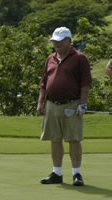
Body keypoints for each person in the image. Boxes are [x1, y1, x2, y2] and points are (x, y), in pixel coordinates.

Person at [37, 27, 91, 186]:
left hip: (72, 104)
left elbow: (85, 83)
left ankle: (77, 174)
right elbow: (43, 83)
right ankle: (57, 173)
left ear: (69, 41)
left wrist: (83, 103)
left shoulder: (80, 58)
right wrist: (40, 103)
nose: (56, 44)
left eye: (59, 41)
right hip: (52, 104)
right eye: (54, 41)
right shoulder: (50, 58)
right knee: (55, 139)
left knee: (73, 139)